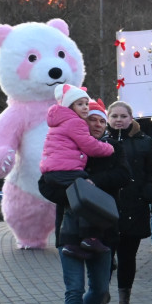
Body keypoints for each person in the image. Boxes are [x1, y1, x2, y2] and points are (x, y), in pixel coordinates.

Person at [38, 98, 130, 304]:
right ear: (82, 120)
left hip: (104, 229)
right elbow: (45, 184)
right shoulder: (64, 144)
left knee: (99, 288)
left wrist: (89, 185)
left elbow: (124, 176)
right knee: (74, 289)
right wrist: (75, 195)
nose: (99, 124)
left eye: (103, 120)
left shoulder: (112, 148)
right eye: (93, 119)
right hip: (68, 230)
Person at [38, 84, 115, 258]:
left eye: (86, 103)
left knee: (74, 204)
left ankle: (71, 243)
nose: (85, 107)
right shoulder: (75, 122)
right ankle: (90, 237)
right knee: (87, 199)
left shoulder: (59, 122)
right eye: (80, 104)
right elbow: (90, 146)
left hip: (54, 170)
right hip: (67, 170)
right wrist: (108, 148)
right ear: (70, 106)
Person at [104, 100, 152, 304]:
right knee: (105, 256)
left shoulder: (144, 143)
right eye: (114, 116)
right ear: (108, 118)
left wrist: (146, 195)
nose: (118, 120)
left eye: (123, 116)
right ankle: (101, 297)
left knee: (128, 257)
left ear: (131, 118)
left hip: (134, 207)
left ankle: (124, 302)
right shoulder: (99, 141)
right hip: (106, 209)